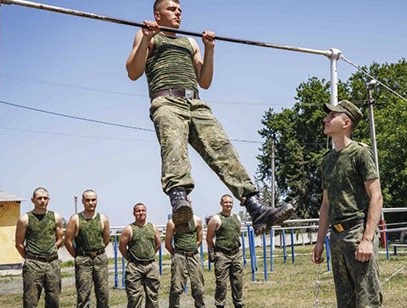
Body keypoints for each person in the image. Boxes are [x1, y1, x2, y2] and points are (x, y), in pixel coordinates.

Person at [125, 0, 294, 235]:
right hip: (167, 101)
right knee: (174, 147)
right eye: (172, 10)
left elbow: (204, 81)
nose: (178, 14)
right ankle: (179, 199)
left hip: (196, 103)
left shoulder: (190, 42)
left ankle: (255, 208)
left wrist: (209, 49)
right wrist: (145, 37)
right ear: (157, 14)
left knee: (222, 149)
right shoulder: (149, 36)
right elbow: (133, 72)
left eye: (180, 10)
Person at [311, 100, 389, 308]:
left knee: (368, 304)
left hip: (357, 234)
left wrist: (367, 238)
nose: (325, 119)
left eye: (331, 116)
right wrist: (319, 242)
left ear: (346, 122)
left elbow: (376, 196)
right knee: (346, 307)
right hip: (336, 238)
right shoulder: (327, 160)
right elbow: (325, 205)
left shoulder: (360, 153)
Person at [15, 187, 64, 308]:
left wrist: (50, 252)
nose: (42, 201)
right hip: (33, 265)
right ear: (33, 200)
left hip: (52, 264)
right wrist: (31, 258)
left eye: (45, 198)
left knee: (53, 299)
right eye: (39, 198)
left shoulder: (56, 217)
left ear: (49, 199)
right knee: (30, 301)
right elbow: (19, 243)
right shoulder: (25, 219)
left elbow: (60, 239)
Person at [64, 189, 111, 308]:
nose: (91, 203)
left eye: (93, 200)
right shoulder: (75, 219)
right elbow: (68, 241)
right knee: (83, 293)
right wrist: (78, 256)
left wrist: (97, 253)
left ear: (97, 200)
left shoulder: (103, 218)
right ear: (83, 201)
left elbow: (106, 239)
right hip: (83, 259)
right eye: (88, 200)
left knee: (103, 292)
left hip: (100, 259)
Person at [206, 194, 253, 308]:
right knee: (221, 285)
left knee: (237, 283)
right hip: (222, 255)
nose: (228, 205)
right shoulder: (216, 219)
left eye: (230, 202)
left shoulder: (237, 217)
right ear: (221, 203)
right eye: (226, 202)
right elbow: (209, 239)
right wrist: (212, 253)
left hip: (236, 254)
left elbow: (236, 234)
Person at [119, 203, 165, 308]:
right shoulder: (129, 229)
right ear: (134, 213)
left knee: (153, 294)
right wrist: (130, 259)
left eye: (143, 210)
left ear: (146, 212)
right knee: (134, 295)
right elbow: (122, 247)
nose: (141, 213)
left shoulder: (153, 227)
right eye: (138, 211)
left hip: (150, 266)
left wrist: (149, 256)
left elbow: (157, 244)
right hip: (134, 267)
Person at [165, 207, 212, 308]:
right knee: (176, 287)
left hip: (194, 256)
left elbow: (199, 239)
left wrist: (191, 250)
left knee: (198, 286)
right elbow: (168, 244)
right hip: (179, 256)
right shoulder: (172, 222)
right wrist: (177, 254)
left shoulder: (197, 220)